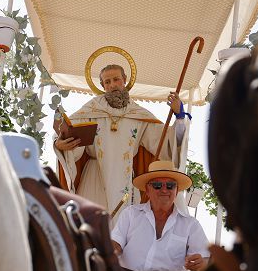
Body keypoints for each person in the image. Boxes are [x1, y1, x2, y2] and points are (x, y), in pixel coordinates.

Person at [54, 63, 190, 216]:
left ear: (125, 80)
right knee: (93, 228)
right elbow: (69, 135)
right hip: (95, 177)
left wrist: (179, 116)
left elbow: (165, 144)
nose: (112, 85)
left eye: (116, 79)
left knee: (125, 228)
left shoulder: (138, 115)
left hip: (125, 181)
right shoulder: (90, 110)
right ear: (102, 86)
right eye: (107, 82)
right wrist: (60, 144)